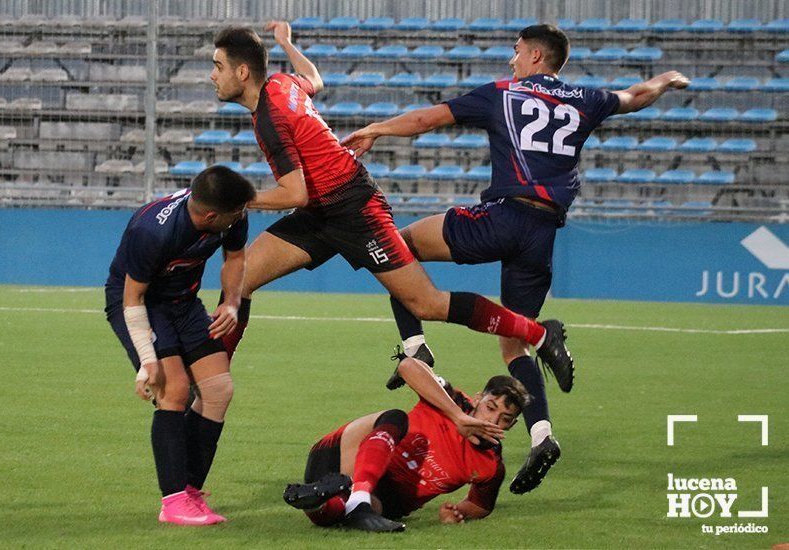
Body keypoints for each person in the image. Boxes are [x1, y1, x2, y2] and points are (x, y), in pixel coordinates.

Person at [341, 24, 690, 494]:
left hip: (503, 217)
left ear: (535, 54)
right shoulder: (587, 97)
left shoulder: (504, 93)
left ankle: (415, 348)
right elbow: (636, 95)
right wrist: (666, 78)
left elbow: (428, 120)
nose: (511, 60)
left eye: (516, 52)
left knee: (398, 245)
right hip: (543, 231)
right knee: (512, 346)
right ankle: (542, 435)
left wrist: (377, 128)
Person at [208, 22, 574, 384]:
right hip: (317, 213)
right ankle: (212, 378)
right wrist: (286, 43)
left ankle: (539, 335)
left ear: (243, 72)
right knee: (238, 281)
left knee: (426, 303)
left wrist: (238, 200)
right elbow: (314, 77)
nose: (212, 76)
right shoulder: (281, 83)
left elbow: (293, 193)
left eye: (218, 66)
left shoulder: (271, 117)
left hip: (355, 209)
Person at [104, 166, 255, 525]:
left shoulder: (233, 216)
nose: (241, 218)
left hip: (184, 303)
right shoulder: (152, 232)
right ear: (210, 215)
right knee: (174, 390)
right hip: (141, 305)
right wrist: (146, 359)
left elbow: (235, 259)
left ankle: (189, 492)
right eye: (235, 214)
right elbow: (132, 297)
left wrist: (231, 302)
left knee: (219, 390)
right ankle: (172, 503)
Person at [282, 352, 530, 532]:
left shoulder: (491, 466)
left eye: (505, 419)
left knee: (341, 510)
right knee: (395, 417)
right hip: (341, 454)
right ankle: (357, 498)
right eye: (490, 407)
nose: (493, 420)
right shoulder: (450, 400)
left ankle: (321, 502)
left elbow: (481, 505)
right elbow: (408, 365)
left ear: (511, 425)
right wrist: (457, 415)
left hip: (379, 500)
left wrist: (457, 511)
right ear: (478, 399)